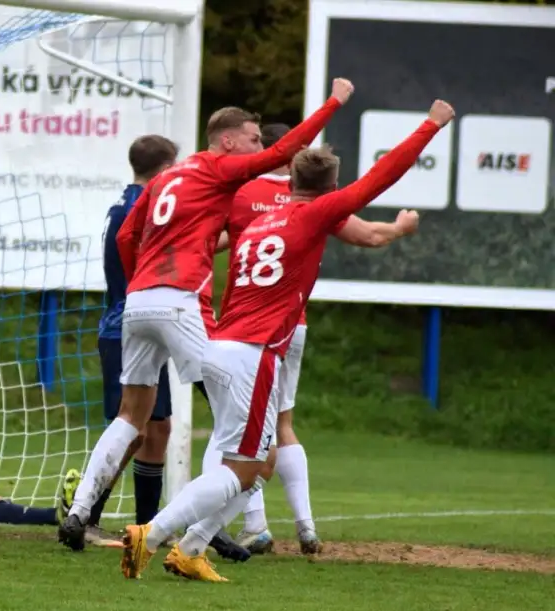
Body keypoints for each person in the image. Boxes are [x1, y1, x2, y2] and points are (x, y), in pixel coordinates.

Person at [121, 99, 454, 582]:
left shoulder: (256, 224)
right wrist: (430, 125)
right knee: (241, 469)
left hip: (223, 343)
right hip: (255, 356)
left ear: (291, 181)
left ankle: (190, 550)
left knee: (258, 462)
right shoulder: (314, 216)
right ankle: (150, 535)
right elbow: (381, 177)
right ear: (329, 190)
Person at [57, 79, 353, 552]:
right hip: (180, 301)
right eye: (254, 139)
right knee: (235, 412)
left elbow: (125, 239)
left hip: (138, 302)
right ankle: (213, 529)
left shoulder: (163, 178)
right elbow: (288, 148)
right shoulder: (218, 170)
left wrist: (141, 282)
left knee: (130, 415)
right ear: (228, 140)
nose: (260, 148)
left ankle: (79, 512)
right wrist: (334, 103)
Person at [209, 123, 420, 555]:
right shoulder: (318, 205)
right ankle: (303, 526)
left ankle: (243, 524)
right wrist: (400, 228)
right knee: (279, 428)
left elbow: (212, 242)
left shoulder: (245, 195)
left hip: (243, 329)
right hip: (290, 325)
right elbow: (370, 235)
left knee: (238, 435)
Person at [60, 134, 179, 548]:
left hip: (134, 326)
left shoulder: (128, 203)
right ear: (165, 170)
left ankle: (146, 527)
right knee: (134, 427)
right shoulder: (142, 209)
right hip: (126, 329)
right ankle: (85, 512)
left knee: (156, 428)